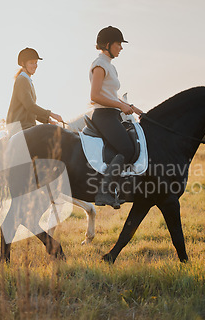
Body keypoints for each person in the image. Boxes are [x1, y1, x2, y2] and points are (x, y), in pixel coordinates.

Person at [89, 26, 143, 209]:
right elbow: (95, 96)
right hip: (103, 116)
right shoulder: (99, 65)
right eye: (118, 44)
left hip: (113, 114)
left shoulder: (110, 66)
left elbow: (111, 95)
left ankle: (118, 188)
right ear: (107, 44)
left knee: (131, 145)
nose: (121, 47)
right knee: (127, 149)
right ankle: (104, 191)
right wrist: (121, 106)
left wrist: (132, 107)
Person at [6, 47, 63, 136]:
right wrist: (51, 114)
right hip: (20, 127)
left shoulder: (27, 80)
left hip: (26, 125)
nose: (35, 65)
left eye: (36, 62)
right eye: (31, 63)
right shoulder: (22, 80)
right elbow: (30, 106)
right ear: (23, 64)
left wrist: (48, 121)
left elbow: (30, 111)